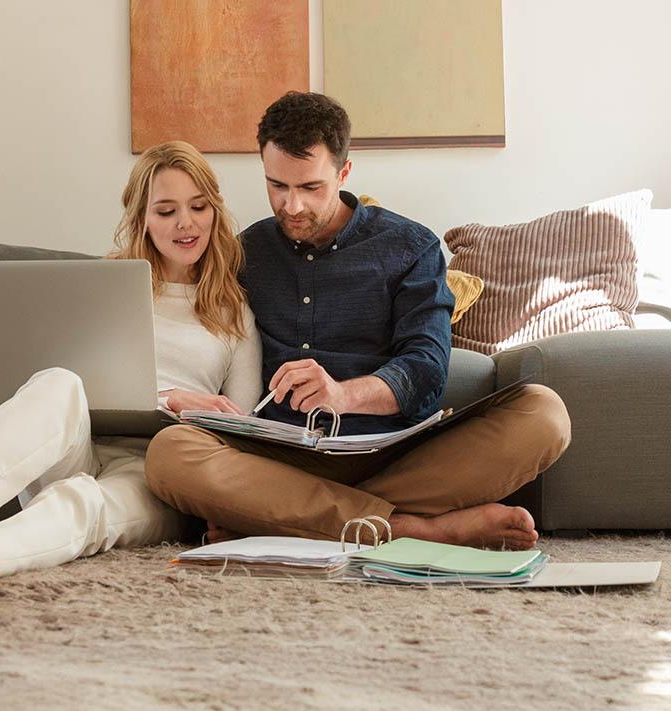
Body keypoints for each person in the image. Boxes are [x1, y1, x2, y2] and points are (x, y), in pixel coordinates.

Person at [145, 93, 571, 551]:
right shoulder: (246, 252)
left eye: (311, 187)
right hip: (281, 460)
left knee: (544, 414)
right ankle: (417, 530)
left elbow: (426, 370)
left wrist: (343, 394)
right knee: (169, 454)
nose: (292, 205)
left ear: (344, 172)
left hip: (394, 454)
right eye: (277, 186)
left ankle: (280, 519)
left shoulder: (410, 247)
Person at [0, 142, 262, 583]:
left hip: (159, 473)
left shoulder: (235, 312)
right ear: (142, 217)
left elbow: (245, 427)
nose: (186, 223)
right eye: (166, 211)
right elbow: (69, 387)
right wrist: (168, 396)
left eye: (198, 206)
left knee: (82, 503)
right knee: (59, 381)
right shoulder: (104, 286)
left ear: (215, 211)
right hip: (72, 445)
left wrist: (207, 451)